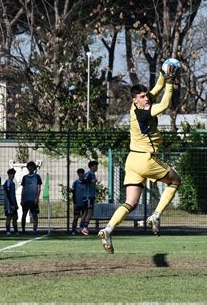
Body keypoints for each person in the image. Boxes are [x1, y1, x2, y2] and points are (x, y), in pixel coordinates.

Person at [98, 59, 181, 253]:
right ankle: (156, 215)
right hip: (145, 159)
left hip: (132, 160)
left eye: (146, 95)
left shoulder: (139, 105)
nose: (146, 98)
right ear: (135, 100)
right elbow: (165, 104)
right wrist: (170, 80)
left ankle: (108, 229)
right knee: (175, 180)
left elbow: (157, 87)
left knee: (130, 203)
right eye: (143, 96)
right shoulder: (143, 112)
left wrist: (163, 73)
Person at [21, 161, 42, 235]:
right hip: (26, 199)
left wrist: (37, 197)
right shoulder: (25, 177)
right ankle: (23, 229)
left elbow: (39, 188)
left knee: (35, 215)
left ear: (34, 168)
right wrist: (22, 199)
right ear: (27, 168)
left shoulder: (37, 177)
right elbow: (23, 189)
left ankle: (35, 229)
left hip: (33, 200)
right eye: (29, 167)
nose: (30, 168)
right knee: (24, 214)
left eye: (32, 167)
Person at [80, 161, 98, 235]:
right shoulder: (89, 174)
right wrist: (92, 181)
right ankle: (85, 228)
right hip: (88, 196)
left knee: (86, 212)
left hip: (90, 196)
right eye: (95, 166)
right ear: (91, 166)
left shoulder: (92, 174)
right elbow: (84, 181)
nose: (96, 168)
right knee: (89, 212)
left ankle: (81, 227)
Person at [71, 168, 86, 235]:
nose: (81, 175)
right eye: (79, 173)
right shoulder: (75, 183)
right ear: (78, 174)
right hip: (77, 203)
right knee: (76, 217)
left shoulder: (86, 182)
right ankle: (73, 230)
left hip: (84, 202)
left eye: (82, 173)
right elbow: (73, 192)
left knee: (84, 217)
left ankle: (82, 229)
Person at [4, 168, 19, 235]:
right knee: (9, 217)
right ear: (8, 174)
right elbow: (8, 194)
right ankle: (8, 231)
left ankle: (15, 230)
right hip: (8, 204)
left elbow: (13, 195)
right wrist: (11, 204)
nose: (12, 175)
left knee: (15, 217)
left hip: (13, 203)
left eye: (13, 174)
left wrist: (15, 204)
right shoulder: (7, 183)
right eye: (11, 174)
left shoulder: (12, 183)